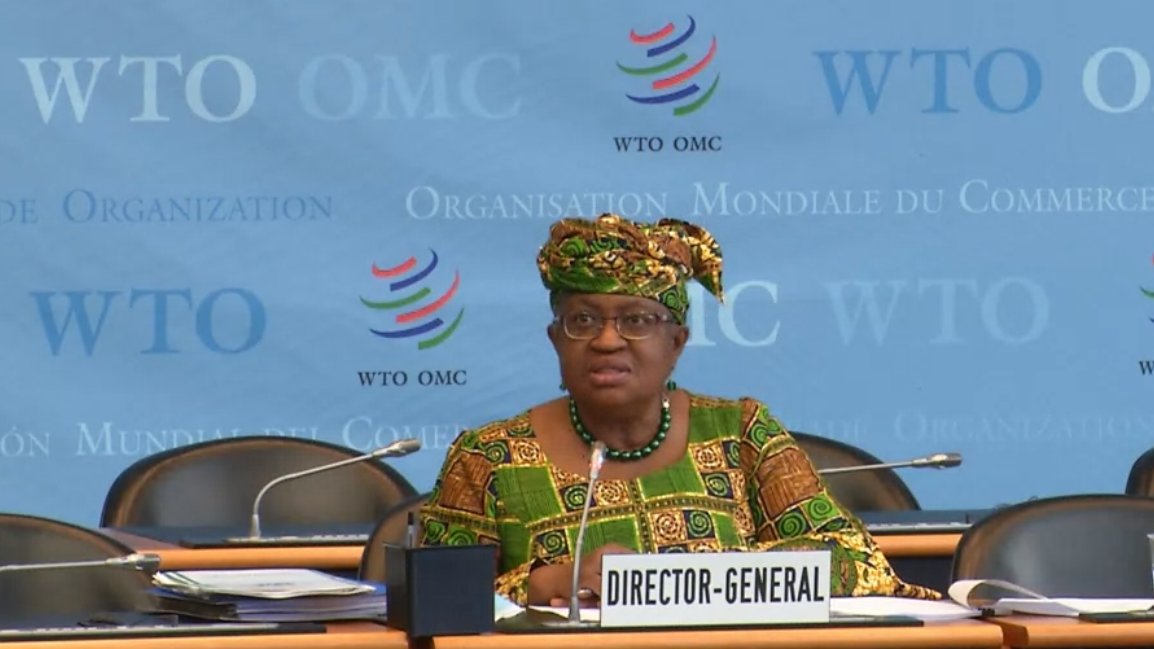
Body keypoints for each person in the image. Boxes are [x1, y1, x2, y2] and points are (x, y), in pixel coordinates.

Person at [418, 213, 938, 606]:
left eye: (637, 320)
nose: (607, 340)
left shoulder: (743, 434)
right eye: (583, 320)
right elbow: (432, 596)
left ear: (677, 343)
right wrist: (543, 583)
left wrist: (687, 577)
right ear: (556, 339)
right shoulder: (488, 457)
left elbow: (856, 563)